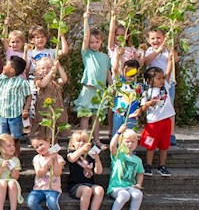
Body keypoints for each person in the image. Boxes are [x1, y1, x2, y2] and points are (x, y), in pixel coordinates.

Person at [74, 11, 111, 148]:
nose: (94, 44)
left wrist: (111, 87)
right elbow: (85, 37)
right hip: (88, 88)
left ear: (101, 42)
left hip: (100, 91)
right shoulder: (87, 54)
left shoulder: (105, 57)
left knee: (97, 117)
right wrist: (86, 20)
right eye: (91, 42)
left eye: (97, 42)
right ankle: (84, 141)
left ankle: (96, 140)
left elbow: (107, 72)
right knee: (85, 116)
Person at [0, 51, 31, 157]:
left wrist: (26, 109)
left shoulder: (22, 82)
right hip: (3, 115)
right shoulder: (3, 79)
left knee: (15, 138)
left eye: (6, 65)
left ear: (12, 70)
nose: (4, 66)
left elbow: (28, 96)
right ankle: (1, 158)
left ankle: (16, 159)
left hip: (15, 115)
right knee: (2, 138)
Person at [139, 63, 176, 177]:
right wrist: (149, 104)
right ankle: (148, 165)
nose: (161, 80)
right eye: (158, 78)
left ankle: (162, 166)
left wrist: (170, 58)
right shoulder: (146, 93)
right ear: (150, 80)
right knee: (150, 145)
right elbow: (142, 109)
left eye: (162, 78)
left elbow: (169, 71)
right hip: (153, 123)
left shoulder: (165, 86)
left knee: (164, 145)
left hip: (165, 121)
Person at [26, 133, 68, 210]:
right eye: (36, 147)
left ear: (48, 142)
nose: (40, 148)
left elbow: (57, 173)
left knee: (51, 202)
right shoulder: (37, 158)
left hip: (53, 188)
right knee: (31, 202)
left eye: (41, 144)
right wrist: (46, 165)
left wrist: (55, 160)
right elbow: (40, 174)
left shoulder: (58, 157)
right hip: (39, 189)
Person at [144, 28, 177, 145]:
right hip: (152, 86)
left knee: (169, 109)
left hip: (168, 83)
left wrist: (172, 53)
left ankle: (170, 134)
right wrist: (157, 51)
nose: (156, 40)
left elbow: (175, 60)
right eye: (153, 38)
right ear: (148, 40)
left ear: (163, 39)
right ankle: (152, 132)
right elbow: (145, 62)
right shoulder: (149, 51)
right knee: (152, 108)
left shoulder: (167, 50)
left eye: (158, 38)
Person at [66, 131, 106, 210]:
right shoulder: (71, 154)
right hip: (76, 186)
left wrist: (97, 159)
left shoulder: (90, 156)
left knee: (99, 189)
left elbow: (98, 171)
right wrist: (82, 149)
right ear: (72, 144)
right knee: (86, 190)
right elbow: (72, 159)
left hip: (90, 183)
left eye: (84, 142)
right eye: (78, 141)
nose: (81, 144)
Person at [108, 124, 145, 210]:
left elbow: (140, 173)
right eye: (127, 141)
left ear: (137, 143)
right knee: (124, 195)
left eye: (133, 142)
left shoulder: (137, 160)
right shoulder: (118, 155)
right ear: (122, 142)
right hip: (116, 187)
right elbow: (112, 146)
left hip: (130, 186)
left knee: (138, 194)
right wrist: (119, 132)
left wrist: (138, 184)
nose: (130, 144)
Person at [32, 57, 69, 143]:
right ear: (38, 70)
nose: (46, 70)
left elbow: (64, 79)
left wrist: (59, 67)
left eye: (49, 67)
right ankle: (45, 148)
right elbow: (43, 84)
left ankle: (54, 148)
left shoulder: (55, 80)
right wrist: (51, 73)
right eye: (43, 68)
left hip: (55, 108)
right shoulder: (38, 80)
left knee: (54, 131)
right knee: (44, 131)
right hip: (44, 109)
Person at [112, 57, 142, 134]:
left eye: (133, 73)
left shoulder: (139, 86)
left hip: (133, 115)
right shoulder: (121, 82)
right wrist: (118, 56)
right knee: (117, 133)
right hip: (119, 113)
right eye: (128, 72)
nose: (130, 76)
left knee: (130, 135)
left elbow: (141, 100)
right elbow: (115, 69)